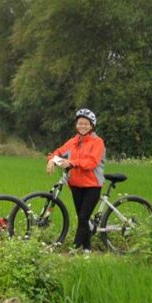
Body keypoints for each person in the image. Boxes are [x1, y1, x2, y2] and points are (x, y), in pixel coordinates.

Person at [46, 108, 105, 252]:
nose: (83, 126)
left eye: (86, 124)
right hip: (76, 185)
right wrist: (51, 160)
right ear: (76, 125)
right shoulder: (74, 141)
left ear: (92, 126)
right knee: (82, 218)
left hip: (92, 186)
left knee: (84, 217)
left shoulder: (97, 142)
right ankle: (87, 249)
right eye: (80, 123)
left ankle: (74, 248)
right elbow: (59, 151)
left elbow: (91, 162)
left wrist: (72, 163)